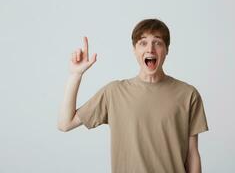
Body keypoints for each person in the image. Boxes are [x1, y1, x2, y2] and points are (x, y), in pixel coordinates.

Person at [57, 19, 209, 173]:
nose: (150, 49)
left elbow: (192, 154)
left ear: (167, 49)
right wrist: (75, 75)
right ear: (134, 50)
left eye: (157, 42)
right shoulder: (114, 92)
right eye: (143, 43)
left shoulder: (188, 94)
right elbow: (65, 124)